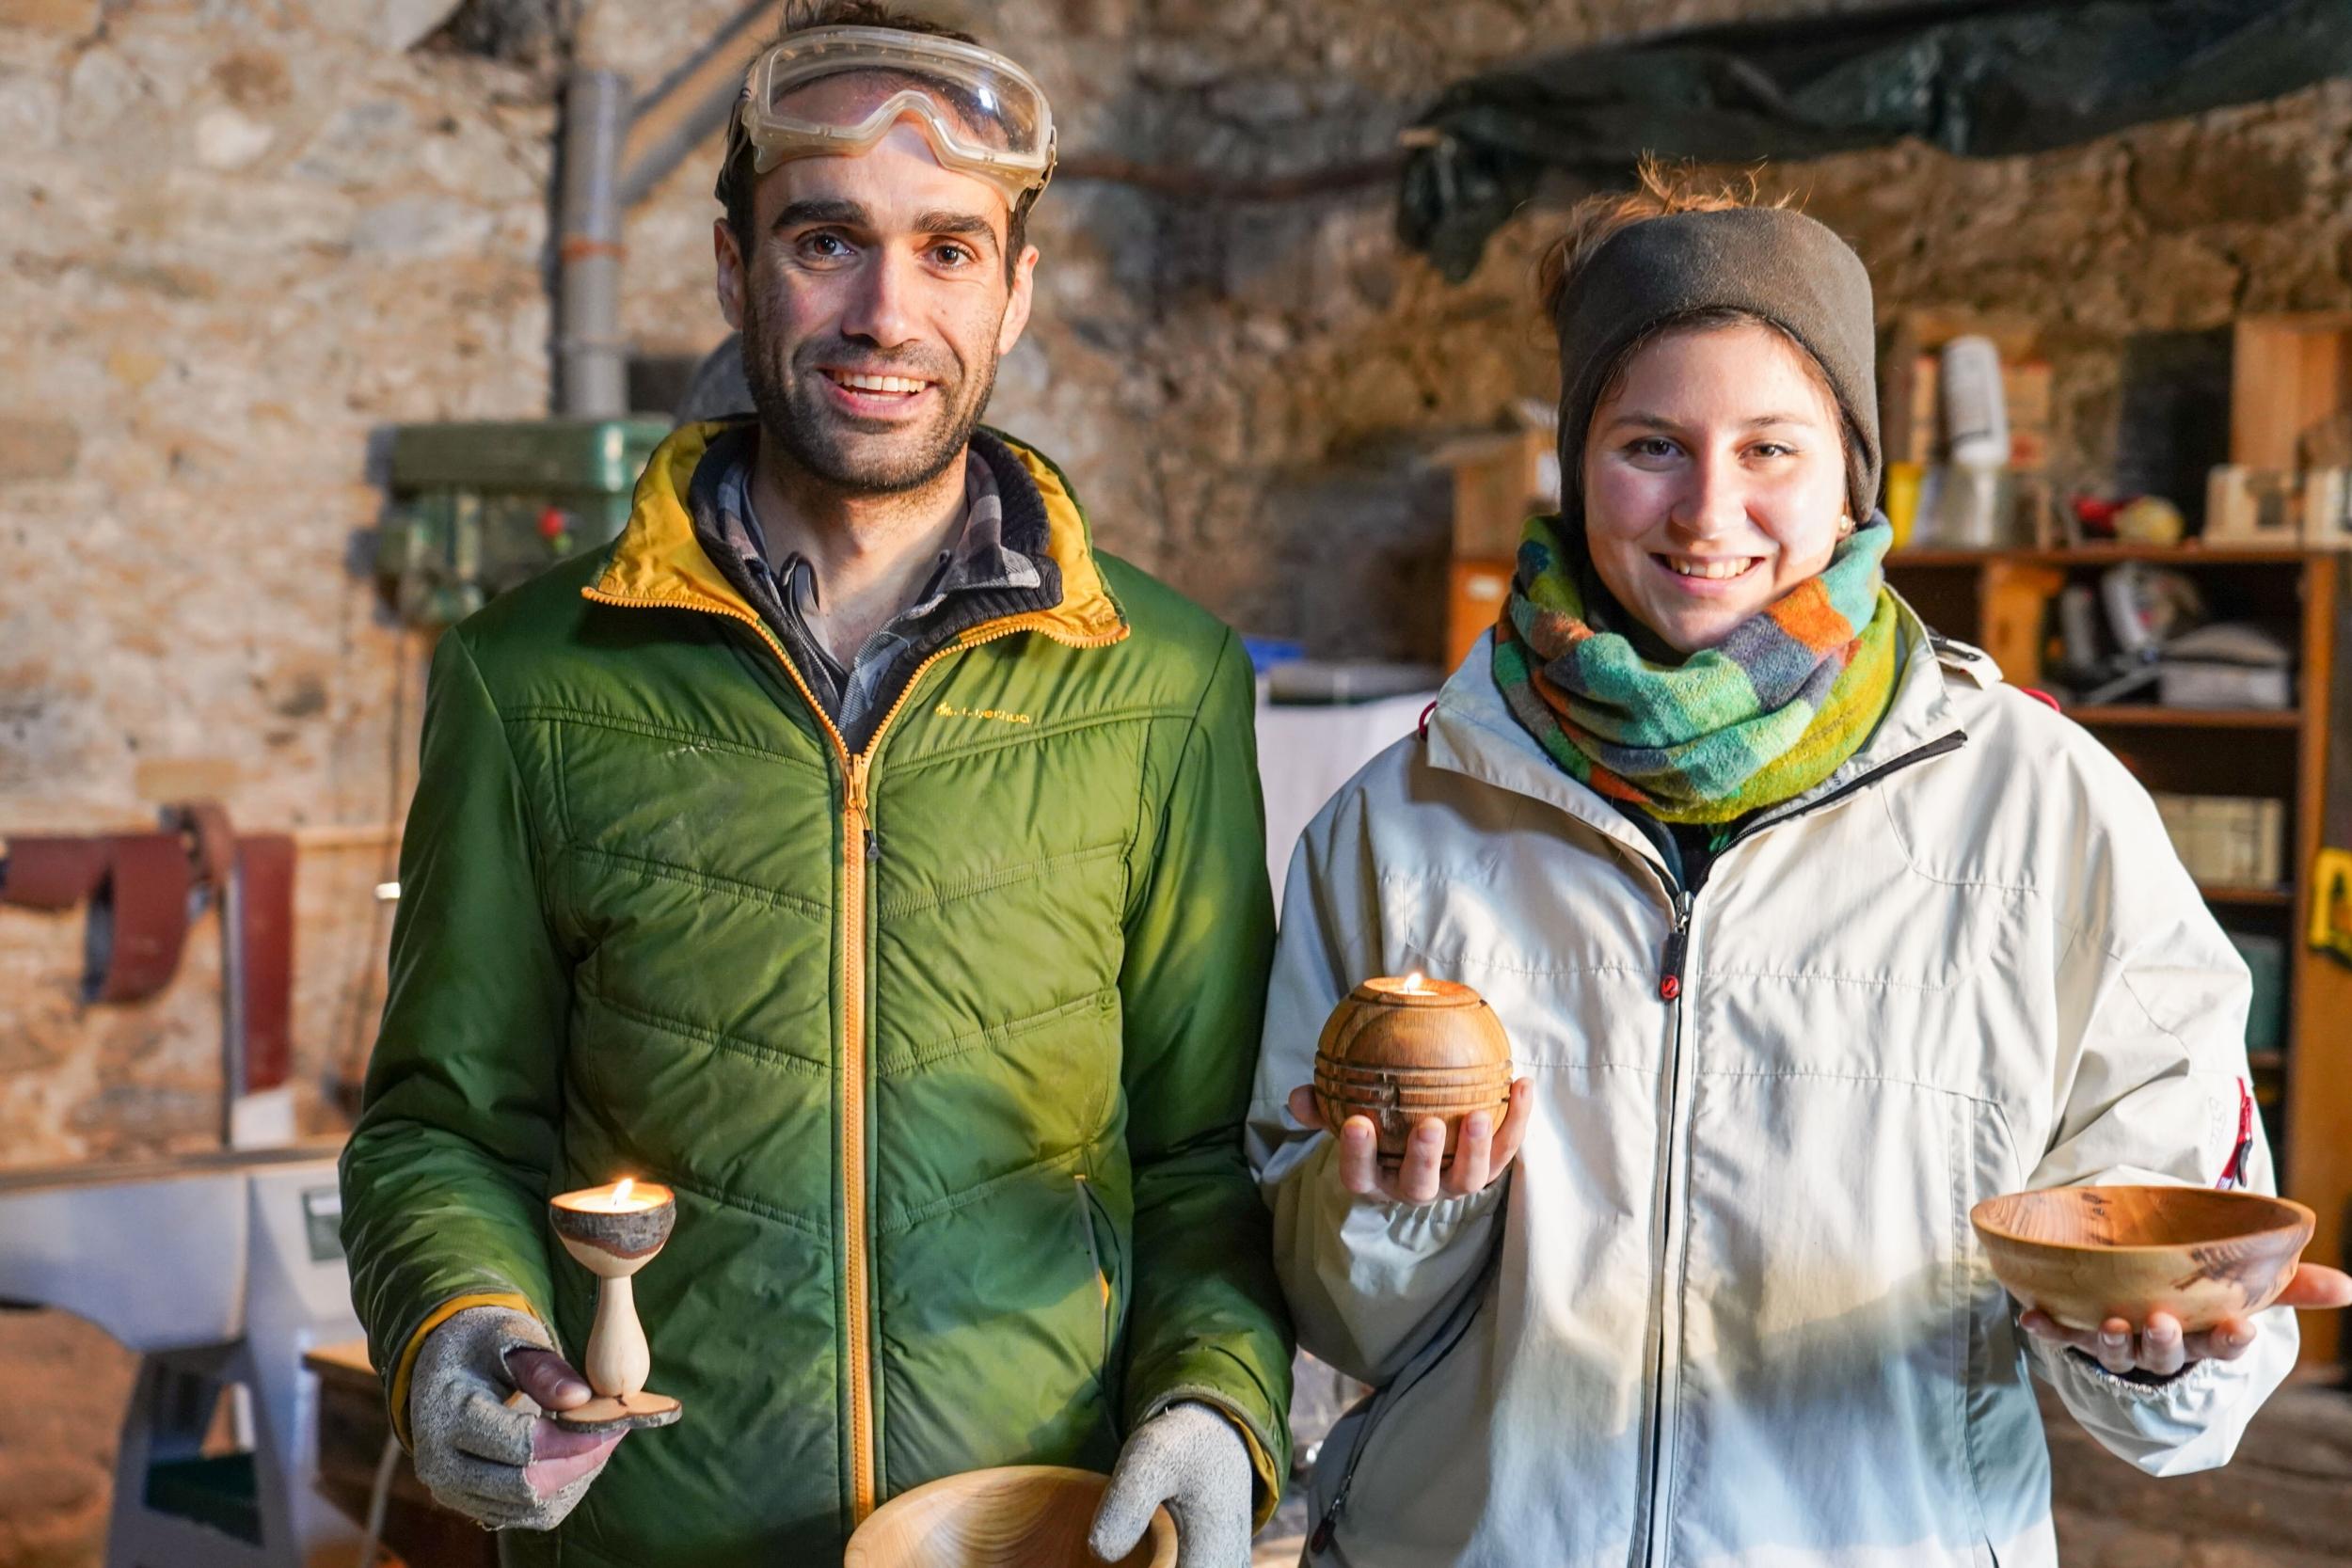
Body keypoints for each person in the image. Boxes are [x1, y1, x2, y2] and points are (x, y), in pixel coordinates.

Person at [1247, 166, 2352, 1568]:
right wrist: (1396, 1214)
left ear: (1850, 481)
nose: (1709, 513)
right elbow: (1331, 1315)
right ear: (1578, 465)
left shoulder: (2047, 813)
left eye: (1771, 449)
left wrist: (2161, 1352)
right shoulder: (1400, 821)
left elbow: (2174, 1299)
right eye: (1651, 443)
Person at [339, 7, 1292, 1564]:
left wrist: (1214, 1404)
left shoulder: (1164, 682)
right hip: (648, 1542)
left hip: (1032, 1536)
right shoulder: (529, 678)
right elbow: (444, 1125)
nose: (884, 311)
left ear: (1017, 291)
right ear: (735, 268)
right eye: (827, 240)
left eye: (948, 250)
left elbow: (1205, 1158)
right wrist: (461, 1323)